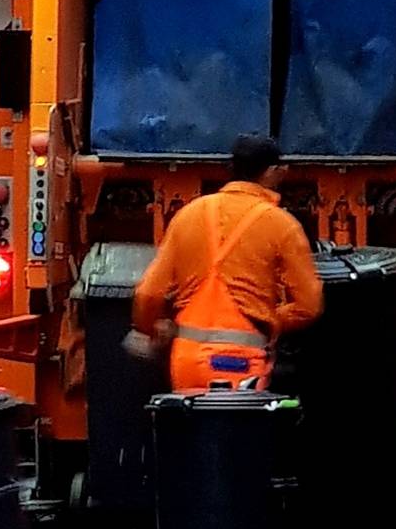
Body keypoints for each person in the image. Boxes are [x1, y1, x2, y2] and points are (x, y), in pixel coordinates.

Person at [129, 134, 326, 390]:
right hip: (240, 363)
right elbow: (308, 306)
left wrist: (152, 327)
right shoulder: (281, 225)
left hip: (186, 359)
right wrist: (268, 318)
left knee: (189, 429)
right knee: (235, 430)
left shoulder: (189, 214)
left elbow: (147, 293)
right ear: (273, 172)